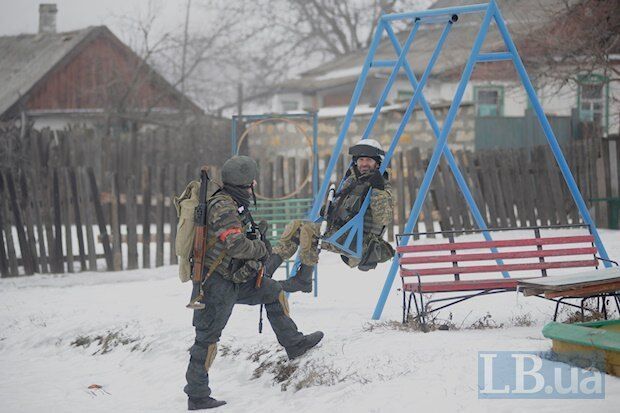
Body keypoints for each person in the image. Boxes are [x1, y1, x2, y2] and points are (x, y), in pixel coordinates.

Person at [184, 156, 324, 410]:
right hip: (217, 284)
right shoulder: (223, 207)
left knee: (273, 291)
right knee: (207, 337)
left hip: (237, 277)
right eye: (252, 182)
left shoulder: (233, 202)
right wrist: (260, 248)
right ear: (246, 183)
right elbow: (235, 245)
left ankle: (293, 343)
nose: (253, 186)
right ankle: (197, 394)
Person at [264, 138, 395, 293]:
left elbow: (384, 218)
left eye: (368, 160)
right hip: (344, 233)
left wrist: (377, 189)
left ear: (377, 163)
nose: (364, 164)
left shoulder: (382, 187)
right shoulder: (353, 181)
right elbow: (345, 206)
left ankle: (303, 280)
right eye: (361, 160)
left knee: (309, 230)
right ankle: (266, 271)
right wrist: (330, 210)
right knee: (296, 226)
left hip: (362, 242)